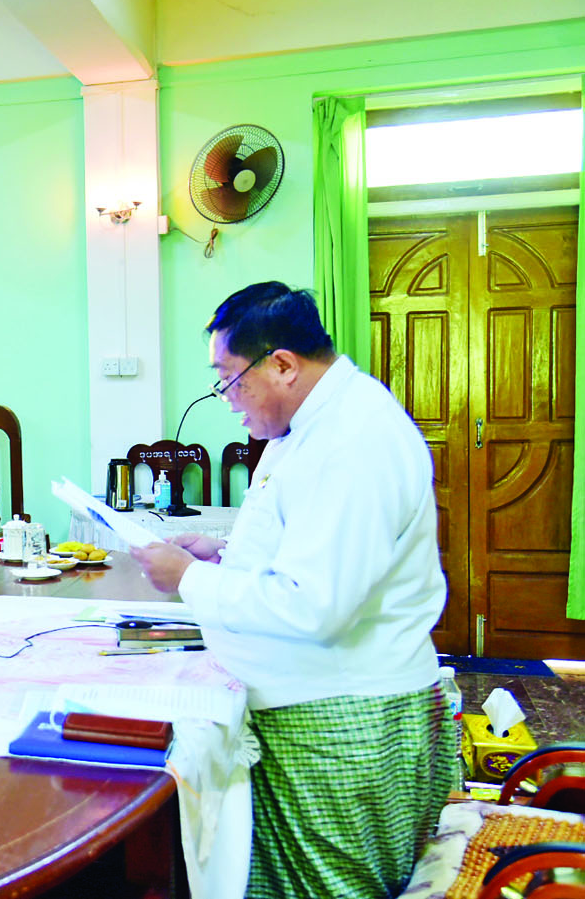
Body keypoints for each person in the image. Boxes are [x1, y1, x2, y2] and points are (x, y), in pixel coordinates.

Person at [129, 282, 450, 899]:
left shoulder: (353, 438)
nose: (227, 399)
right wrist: (224, 553)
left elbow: (315, 604)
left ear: (282, 364)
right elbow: (309, 545)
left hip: (343, 717)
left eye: (228, 380)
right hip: (311, 700)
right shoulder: (312, 424)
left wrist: (189, 578)